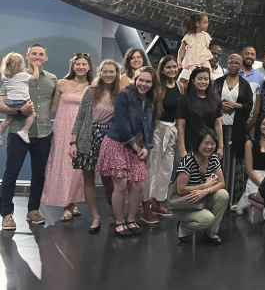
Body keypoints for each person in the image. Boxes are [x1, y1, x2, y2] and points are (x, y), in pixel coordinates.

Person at [96, 66, 159, 236]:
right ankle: (119, 221)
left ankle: (131, 220)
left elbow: (150, 126)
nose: (144, 84)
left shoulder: (151, 100)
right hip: (118, 142)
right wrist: (136, 146)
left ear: (153, 84)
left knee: (138, 185)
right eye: (141, 80)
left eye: (148, 81)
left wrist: (146, 146)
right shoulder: (124, 95)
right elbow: (122, 123)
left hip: (138, 145)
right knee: (121, 184)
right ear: (135, 80)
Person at [0, 44, 57, 230]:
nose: (37, 57)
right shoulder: (13, 76)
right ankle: (7, 214)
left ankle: (33, 210)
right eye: (34, 54)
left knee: (39, 175)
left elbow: (53, 107)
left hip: (44, 133)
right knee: (11, 173)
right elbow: (0, 104)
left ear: (46, 57)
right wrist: (19, 110)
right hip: (18, 132)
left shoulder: (52, 79)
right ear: (27, 56)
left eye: (41, 54)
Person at [69, 59, 120, 233]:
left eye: (111, 71)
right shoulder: (90, 91)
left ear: (116, 73)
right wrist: (73, 142)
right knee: (88, 179)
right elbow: (80, 117)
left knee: (108, 179)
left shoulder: (120, 93)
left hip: (109, 139)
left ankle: (115, 210)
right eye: (105, 71)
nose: (108, 74)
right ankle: (96, 217)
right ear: (100, 72)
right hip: (87, 137)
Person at [42, 53, 93, 221]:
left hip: (82, 130)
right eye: (77, 64)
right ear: (73, 66)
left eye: (84, 64)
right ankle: (67, 204)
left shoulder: (92, 86)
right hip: (62, 129)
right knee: (63, 165)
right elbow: (53, 107)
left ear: (89, 67)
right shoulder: (62, 83)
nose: (80, 67)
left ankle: (71, 202)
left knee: (77, 169)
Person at [140, 56, 183, 225]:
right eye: (168, 67)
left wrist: (179, 131)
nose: (172, 70)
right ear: (162, 69)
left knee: (166, 170)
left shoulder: (180, 85)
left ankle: (157, 203)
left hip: (172, 130)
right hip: (156, 129)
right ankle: (145, 207)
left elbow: (180, 112)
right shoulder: (157, 87)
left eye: (174, 67)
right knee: (151, 168)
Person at [212, 56, 253, 210]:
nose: (234, 65)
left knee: (236, 162)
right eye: (231, 62)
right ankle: (217, 198)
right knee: (219, 162)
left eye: (237, 63)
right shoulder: (217, 83)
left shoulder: (245, 85)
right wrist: (220, 105)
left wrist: (237, 105)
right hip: (219, 128)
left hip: (237, 129)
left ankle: (234, 200)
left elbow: (250, 104)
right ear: (227, 64)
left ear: (241, 65)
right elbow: (209, 100)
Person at [175, 127, 228, 244]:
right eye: (206, 143)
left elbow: (222, 183)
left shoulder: (213, 158)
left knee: (223, 195)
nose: (209, 147)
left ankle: (211, 231)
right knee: (208, 219)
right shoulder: (188, 161)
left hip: (203, 198)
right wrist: (204, 186)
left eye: (213, 143)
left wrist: (206, 190)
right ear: (198, 143)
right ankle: (184, 227)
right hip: (187, 202)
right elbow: (181, 189)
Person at [177, 67, 225, 160]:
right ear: (193, 81)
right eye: (200, 79)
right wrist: (182, 149)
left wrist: (220, 147)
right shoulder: (185, 100)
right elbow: (180, 126)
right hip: (190, 145)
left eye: (206, 79)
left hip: (210, 146)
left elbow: (218, 124)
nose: (203, 82)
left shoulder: (215, 99)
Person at [238, 114, 265, 215]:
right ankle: (248, 198)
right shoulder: (250, 143)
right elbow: (249, 170)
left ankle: (251, 202)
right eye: (264, 123)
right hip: (255, 178)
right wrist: (262, 185)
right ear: (259, 125)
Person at [0, 52, 39, 144]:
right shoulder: (22, 75)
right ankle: (24, 131)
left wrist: (3, 64)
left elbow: (2, 70)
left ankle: (0, 133)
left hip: (10, 102)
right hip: (22, 101)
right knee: (32, 114)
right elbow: (35, 76)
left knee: (8, 118)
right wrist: (36, 67)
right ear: (20, 65)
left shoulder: (5, 76)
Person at [177, 14, 213, 83]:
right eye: (205, 23)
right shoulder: (189, 36)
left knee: (209, 73)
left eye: (207, 23)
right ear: (197, 24)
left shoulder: (205, 35)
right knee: (195, 75)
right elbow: (181, 49)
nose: (207, 25)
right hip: (192, 60)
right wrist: (179, 61)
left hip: (203, 58)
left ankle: (209, 84)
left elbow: (206, 47)